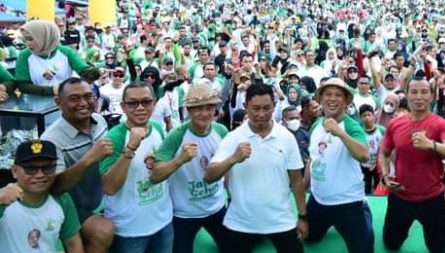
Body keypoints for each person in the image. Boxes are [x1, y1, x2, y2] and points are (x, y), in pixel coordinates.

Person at [205, 83, 307, 253]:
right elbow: (209, 176)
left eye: (267, 108)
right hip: (241, 222)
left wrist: (303, 216)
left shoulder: (286, 138)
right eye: (256, 108)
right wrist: (233, 159)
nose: (261, 114)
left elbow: (296, 181)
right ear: (245, 107)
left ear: (274, 106)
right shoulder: (233, 138)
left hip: (280, 220)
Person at [378, 78, 445, 253]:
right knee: (390, 244)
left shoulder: (441, 124)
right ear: (406, 95)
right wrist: (385, 176)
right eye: (414, 92)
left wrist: (431, 145)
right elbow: (384, 153)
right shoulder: (395, 124)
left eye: (424, 92)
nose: (419, 97)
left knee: (438, 248)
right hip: (400, 196)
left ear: (431, 96)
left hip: (432, 199)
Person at [150, 84, 229, 253]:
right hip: (184, 213)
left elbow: (227, 167)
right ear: (189, 110)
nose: (205, 113)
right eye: (198, 109)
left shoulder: (221, 131)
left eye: (209, 108)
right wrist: (180, 160)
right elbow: (155, 175)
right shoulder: (177, 135)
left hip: (216, 207)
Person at [41, 78, 115, 253]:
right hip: (70, 206)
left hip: (100, 199)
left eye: (88, 96)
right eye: (74, 98)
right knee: (102, 232)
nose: (83, 103)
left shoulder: (99, 121)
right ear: (58, 103)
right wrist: (88, 159)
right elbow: (55, 187)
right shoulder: (51, 140)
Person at [99, 82, 173, 253]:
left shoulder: (157, 128)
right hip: (129, 230)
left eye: (146, 102)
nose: (140, 108)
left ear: (154, 103)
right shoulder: (114, 137)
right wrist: (130, 149)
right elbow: (109, 187)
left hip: (163, 221)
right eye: (133, 103)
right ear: (123, 107)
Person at [305, 78, 373, 253]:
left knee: (363, 250)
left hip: (348, 202)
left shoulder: (352, 126)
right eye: (328, 94)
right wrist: (304, 185)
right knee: (309, 237)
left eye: (338, 95)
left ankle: (365, 211)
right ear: (320, 99)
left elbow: (364, 155)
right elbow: (312, 159)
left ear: (346, 102)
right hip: (319, 200)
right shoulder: (315, 126)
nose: (332, 99)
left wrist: (339, 133)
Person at [0, 140, 83, 252]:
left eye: (47, 168)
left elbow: (73, 244)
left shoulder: (62, 200)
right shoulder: (4, 199)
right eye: (30, 169)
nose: (40, 175)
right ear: (15, 171)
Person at [16, 20, 102, 95]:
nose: (28, 44)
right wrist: (52, 90)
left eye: (31, 39)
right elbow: (22, 85)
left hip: (65, 102)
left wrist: (98, 72)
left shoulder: (66, 52)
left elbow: (83, 70)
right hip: (37, 106)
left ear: (45, 37)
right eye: (25, 40)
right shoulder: (24, 56)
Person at [360, 103, 385, 194]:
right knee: (365, 187)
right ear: (360, 118)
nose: (367, 118)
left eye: (369, 115)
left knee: (379, 187)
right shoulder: (359, 132)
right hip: (364, 165)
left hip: (378, 165)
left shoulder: (381, 130)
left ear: (374, 116)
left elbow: (385, 148)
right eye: (364, 116)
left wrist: (377, 162)